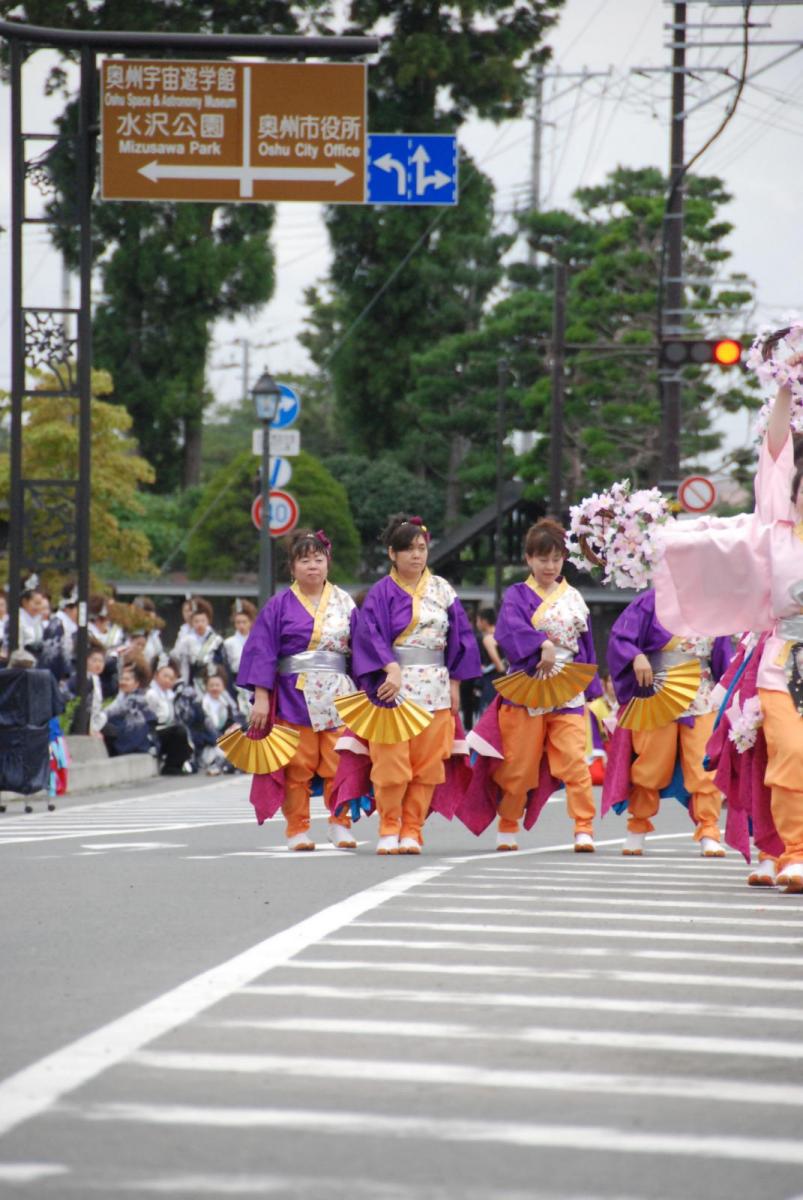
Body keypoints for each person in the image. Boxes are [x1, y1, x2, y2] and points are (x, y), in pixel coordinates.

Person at [654, 343, 803, 891]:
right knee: (789, 753)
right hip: (784, 661)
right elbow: (778, 451)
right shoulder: (773, 533)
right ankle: (793, 852)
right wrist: (789, 378)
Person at [465, 518, 602, 852]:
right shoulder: (517, 595)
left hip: (568, 687)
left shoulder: (574, 598)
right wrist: (540, 644)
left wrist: (595, 696)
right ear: (529, 559)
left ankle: (583, 826)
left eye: (556, 559)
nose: (550, 566)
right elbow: (508, 631)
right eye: (543, 559)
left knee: (573, 759)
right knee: (518, 766)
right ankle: (508, 822)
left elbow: (586, 648)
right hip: (528, 686)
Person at [350, 513, 481, 855]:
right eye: (408, 549)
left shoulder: (443, 590)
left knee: (428, 764)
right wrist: (389, 667)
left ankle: (412, 828)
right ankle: (389, 826)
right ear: (392, 553)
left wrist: (455, 683)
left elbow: (461, 637)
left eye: (421, 548)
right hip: (393, 688)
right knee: (391, 763)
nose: (417, 555)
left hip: (435, 686)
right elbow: (368, 635)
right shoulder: (380, 593)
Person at [238, 529, 359, 851]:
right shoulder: (279, 605)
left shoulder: (345, 602)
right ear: (292, 567)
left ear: (328, 563)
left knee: (340, 761)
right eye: (304, 560)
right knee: (298, 765)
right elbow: (262, 651)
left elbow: (363, 648)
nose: (312, 566)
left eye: (318, 559)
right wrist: (261, 696)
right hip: (294, 693)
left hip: (338, 692)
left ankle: (340, 823)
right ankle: (297, 828)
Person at [604, 588, 733, 856]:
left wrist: (730, 696)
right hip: (658, 688)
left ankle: (709, 829)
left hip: (701, 692)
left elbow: (722, 656)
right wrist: (635, 656)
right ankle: (637, 825)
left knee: (704, 764)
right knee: (651, 763)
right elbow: (621, 638)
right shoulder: (650, 600)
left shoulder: (715, 602)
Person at [145, 655, 194, 774]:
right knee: (179, 732)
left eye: (171, 678)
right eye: (165, 676)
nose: (168, 680)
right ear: (156, 676)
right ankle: (170, 766)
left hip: (168, 727)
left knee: (183, 734)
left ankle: (176, 765)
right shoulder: (151, 694)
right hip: (156, 730)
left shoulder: (170, 695)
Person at [102, 658, 158, 757]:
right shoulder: (120, 696)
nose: (123, 682)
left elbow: (113, 712)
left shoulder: (139, 699)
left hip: (134, 737)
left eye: (127, 680)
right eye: (122, 679)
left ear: (136, 683)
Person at [199, 664, 243, 775]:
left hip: (225, 738)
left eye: (217, 685)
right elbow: (203, 727)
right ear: (206, 687)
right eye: (211, 685)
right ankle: (220, 765)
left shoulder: (226, 702)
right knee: (219, 752)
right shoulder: (202, 704)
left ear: (223, 686)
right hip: (211, 743)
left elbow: (234, 720)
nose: (214, 688)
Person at [173, 597, 224, 687]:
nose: (199, 624)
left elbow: (220, 661)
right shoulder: (186, 637)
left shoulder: (215, 639)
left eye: (202, 621)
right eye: (196, 621)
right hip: (193, 676)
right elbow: (181, 659)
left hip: (211, 676)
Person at [476, 606, 506, 714]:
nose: (477, 623)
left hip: (492, 679)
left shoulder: (488, 638)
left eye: (478, 620)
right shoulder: (503, 635)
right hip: (505, 679)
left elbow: (496, 661)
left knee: (488, 711)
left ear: (484, 621)